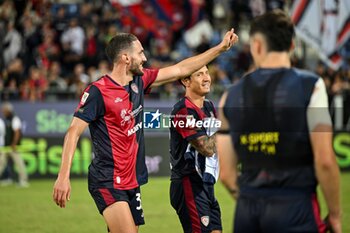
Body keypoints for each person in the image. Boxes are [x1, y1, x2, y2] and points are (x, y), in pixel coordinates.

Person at [53, 30, 238, 233]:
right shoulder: (98, 91)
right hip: (108, 180)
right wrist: (63, 177)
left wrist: (220, 49)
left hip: (132, 181)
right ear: (125, 57)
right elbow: (73, 132)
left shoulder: (139, 82)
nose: (145, 58)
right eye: (140, 53)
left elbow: (181, 68)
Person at [217, 10, 342, 233]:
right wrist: (334, 214)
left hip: (247, 211)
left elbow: (226, 173)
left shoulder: (230, 96)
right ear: (292, 45)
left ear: (256, 45)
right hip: (296, 207)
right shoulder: (311, 86)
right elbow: (324, 160)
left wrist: (248, 198)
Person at [169, 66, 222, 233]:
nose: (206, 78)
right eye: (199, 74)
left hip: (205, 184)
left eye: (207, 73)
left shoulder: (209, 106)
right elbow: (206, 148)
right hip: (188, 184)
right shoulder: (183, 110)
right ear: (186, 81)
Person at [0, 102, 29, 187]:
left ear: (8, 110)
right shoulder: (6, 119)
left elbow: (17, 133)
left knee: (19, 163)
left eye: (4, 110)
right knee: (1, 163)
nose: (3, 112)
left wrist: (14, 144)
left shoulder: (14, 119)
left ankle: (23, 180)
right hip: (6, 147)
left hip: (13, 147)